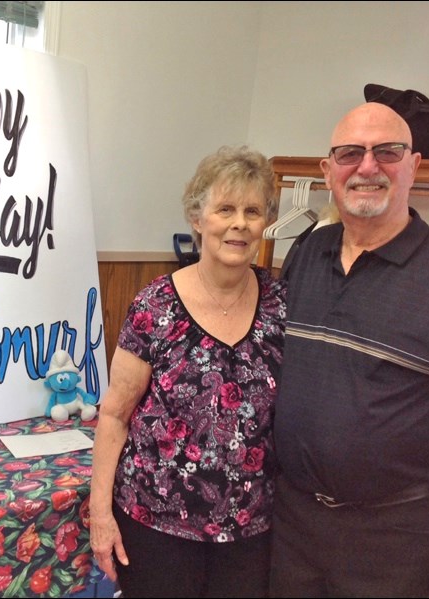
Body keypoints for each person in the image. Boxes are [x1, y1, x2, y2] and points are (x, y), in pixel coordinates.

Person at [269, 102, 429, 598]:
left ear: (414, 166)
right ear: (327, 172)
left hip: (395, 541)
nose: (367, 167)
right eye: (350, 154)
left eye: (386, 151)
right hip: (292, 526)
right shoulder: (305, 253)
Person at [90, 145, 286, 598]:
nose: (239, 222)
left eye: (252, 211)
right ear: (198, 219)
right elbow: (114, 415)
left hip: (250, 535)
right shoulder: (154, 307)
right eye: (225, 209)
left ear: (265, 223)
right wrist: (101, 516)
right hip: (155, 528)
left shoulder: (282, 305)